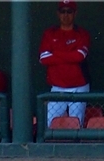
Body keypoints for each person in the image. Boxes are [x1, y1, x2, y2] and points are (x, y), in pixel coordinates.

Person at [39, 0, 91, 128]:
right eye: (63, 11)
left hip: (79, 86)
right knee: (48, 124)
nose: (66, 15)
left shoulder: (82, 33)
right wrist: (69, 54)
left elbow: (79, 56)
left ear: (75, 13)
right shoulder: (50, 33)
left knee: (76, 125)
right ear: (58, 13)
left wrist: (55, 53)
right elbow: (43, 58)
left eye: (69, 11)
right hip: (57, 87)